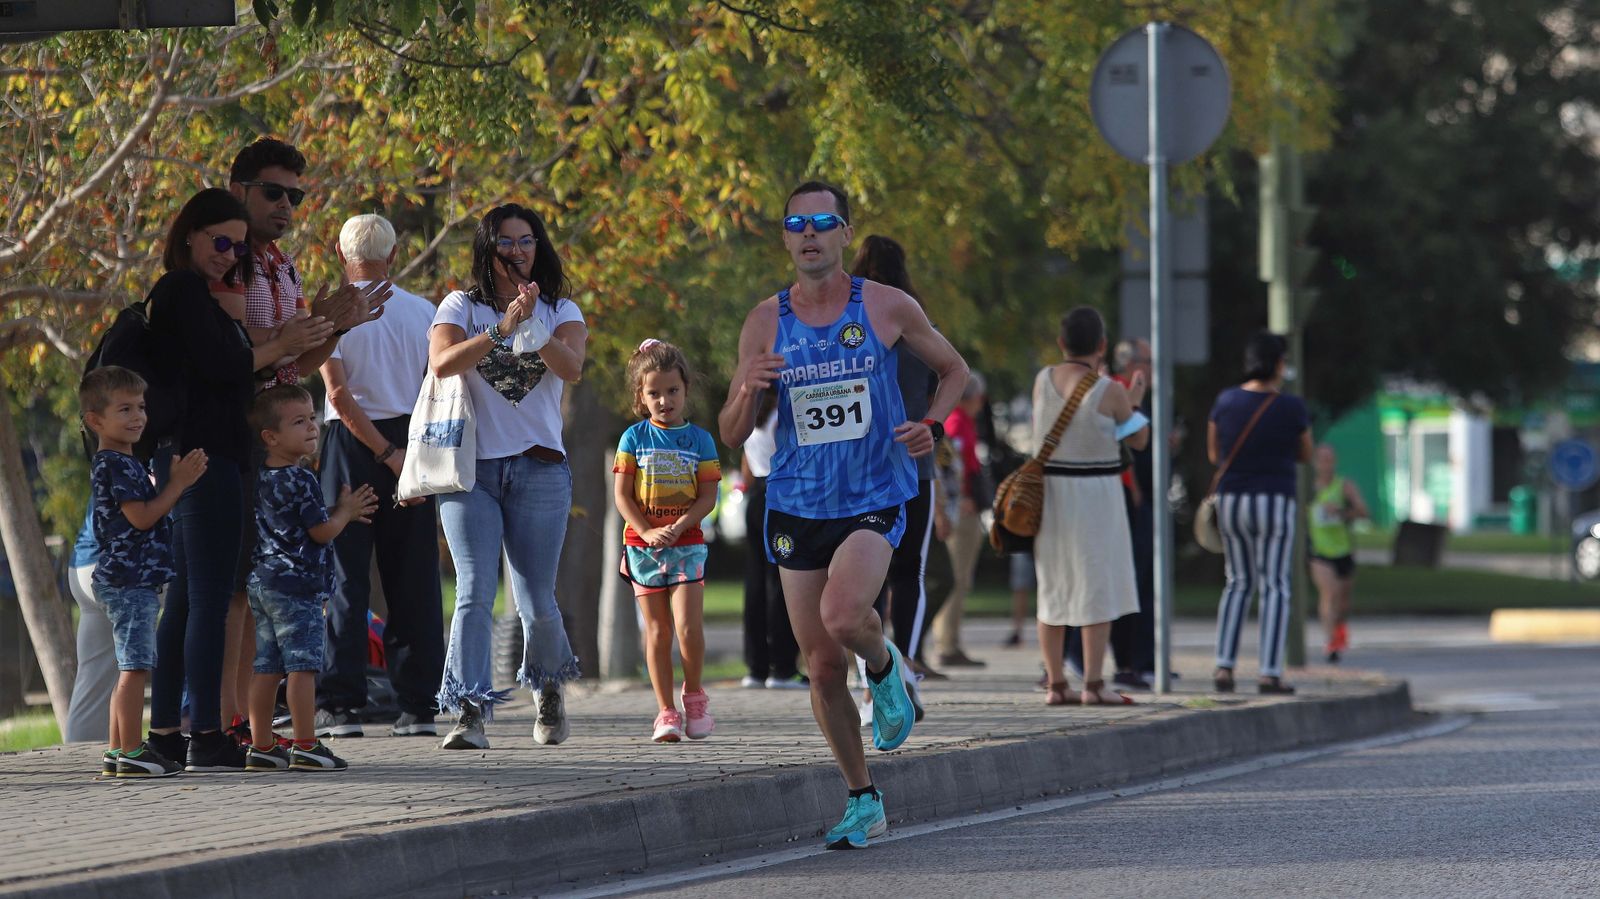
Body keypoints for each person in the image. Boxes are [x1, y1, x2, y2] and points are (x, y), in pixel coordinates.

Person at [719, 180, 968, 850]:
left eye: (822, 222)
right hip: (796, 499)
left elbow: (954, 369)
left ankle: (888, 671)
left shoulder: (886, 306)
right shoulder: (764, 320)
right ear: (784, 237)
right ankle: (863, 797)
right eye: (795, 223)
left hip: (873, 493)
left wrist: (932, 425)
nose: (808, 234)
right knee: (822, 665)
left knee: (842, 615)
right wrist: (748, 388)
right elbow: (729, 428)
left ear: (844, 234)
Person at [217, 138, 389, 747]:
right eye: (273, 192)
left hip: (271, 441)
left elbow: (300, 359)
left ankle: (252, 729)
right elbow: (229, 346)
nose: (286, 206)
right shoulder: (224, 257)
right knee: (235, 592)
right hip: (232, 438)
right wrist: (293, 333)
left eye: (296, 196)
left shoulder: (282, 264)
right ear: (239, 188)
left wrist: (334, 326)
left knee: (254, 596)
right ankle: (228, 723)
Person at [146, 188, 324, 772]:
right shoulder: (181, 290)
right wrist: (279, 345)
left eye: (238, 248)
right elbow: (223, 366)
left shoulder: (200, 293)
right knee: (207, 601)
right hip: (204, 458)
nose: (228, 255)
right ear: (190, 235)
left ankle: (171, 734)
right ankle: (202, 734)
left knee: (193, 601)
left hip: (208, 457)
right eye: (220, 241)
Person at [429, 203, 586, 750]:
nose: (518, 251)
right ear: (487, 250)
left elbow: (572, 367)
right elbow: (443, 363)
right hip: (470, 472)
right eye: (506, 242)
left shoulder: (563, 308)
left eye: (526, 241)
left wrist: (537, 325)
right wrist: (501, 329)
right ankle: (469, 711)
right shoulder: (459, 305)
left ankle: (546, 686)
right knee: (473, 591)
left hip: (541, 470)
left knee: (536, 599)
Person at [314, 214, 445, 738]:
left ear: (339, 254)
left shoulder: (332, 316)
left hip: (350, 445)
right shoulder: (424, 312)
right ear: (393, 255)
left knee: (345, 574)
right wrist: (401, 453)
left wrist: (380, 450)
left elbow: (339, 396)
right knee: (412, 572)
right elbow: (434, 387)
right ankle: (417, 703)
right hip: (410, 440)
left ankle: (340, 703)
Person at [81, 365, 209, 777]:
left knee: (129, 665)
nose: (137, 417)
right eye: (124, 409)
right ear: (95, 420)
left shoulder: (125, 463)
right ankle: (135, 751)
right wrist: (177, 484)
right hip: (128, 581)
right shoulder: (114, 465)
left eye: (140, 407)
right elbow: (141, 517)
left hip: (132, 580)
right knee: (136, 666)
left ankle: (119, 750)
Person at [243, 385, 378, 772]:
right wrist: (346, 513)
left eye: (312, 417)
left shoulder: (259, 478)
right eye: (298, 422)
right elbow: (320, 531)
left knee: (266, 666)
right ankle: (305, 744)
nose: (313, 427)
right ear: (270, 437)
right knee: (302, 667)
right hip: (296, 588)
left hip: (262, 582)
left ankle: (262, 745)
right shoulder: (300, 479)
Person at [1033, 307, 1149, 706]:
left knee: (1052, 586)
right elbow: (1139, 440)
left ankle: (1055, 684)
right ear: (1102, 346)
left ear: (1062, 343)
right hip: (1095, 492)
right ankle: (1094, 685)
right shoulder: (1108, 389)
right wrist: (1133, 402)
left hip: (1049, 494)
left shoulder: (1042, 380)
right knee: (1095, 584)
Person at [612, 339, 722, 742]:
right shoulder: (633, 439)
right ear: (641, 396)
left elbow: (708, 496)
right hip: (643, 550)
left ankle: (694, 698)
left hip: (688, 545)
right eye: (654, 393)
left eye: (672, 391)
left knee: (689, 628)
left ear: (686, 389)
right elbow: (623, 496)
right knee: (658, 632)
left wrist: (680, 525)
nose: (664, 400)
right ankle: (666, 713)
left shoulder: (701, 441)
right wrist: (646, 530)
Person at [849, 236, 940, 677]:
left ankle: (873, 666)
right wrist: (929, 421)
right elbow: (944, 378)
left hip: (861, 464)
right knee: (910, 570)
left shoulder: (850, 321)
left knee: (866, 572)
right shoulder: (916, 322)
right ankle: (907, 659)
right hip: (915, 460)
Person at [1207, 330, 1313, 694]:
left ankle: (1224, 666)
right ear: (1279, 365)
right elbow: (1305, 453)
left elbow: (1213, 452)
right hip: (1275, 500)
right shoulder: (1291, 407)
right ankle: (1269, 671)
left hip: (1232, 500)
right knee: (1275, 585)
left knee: (1237, 581)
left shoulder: (1225, 402)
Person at [739, 392, 805, 689]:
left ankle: (756, 666)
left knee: (755, 583)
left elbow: (746, 464)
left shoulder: (753, 417)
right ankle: (783, 667)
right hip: (779, 493)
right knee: (780, 582)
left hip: (755, 495)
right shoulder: (783, 416)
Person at [930, 372, 987, 668]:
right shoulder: (953, 422)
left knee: (960, 581)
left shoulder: (961, 423)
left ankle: (951, 642)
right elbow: (946, 468)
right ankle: (946, 644)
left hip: (962, 508)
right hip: (957, 511)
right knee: (953, 579)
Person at [1309, 444, 1368, 663]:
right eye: (1321, 459)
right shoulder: (1310, 489)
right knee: (1330, 593)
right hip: (1319, 551)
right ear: (1315, 462)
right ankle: (1330, 641)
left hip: (1343, 550)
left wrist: (1342, 512)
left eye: (1329, 459)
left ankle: (1340, 628)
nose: (1325, 464)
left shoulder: (1344, 486)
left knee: (1343, 602)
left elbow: (1363, 512)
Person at [62, 505, 115, 744]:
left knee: (93, 677)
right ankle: (197, 724)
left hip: (82, 566)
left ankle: (78, 751)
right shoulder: (143, 466)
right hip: (118, 568)